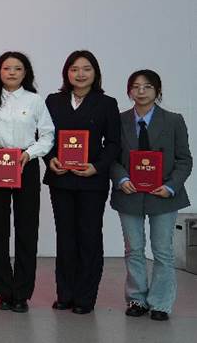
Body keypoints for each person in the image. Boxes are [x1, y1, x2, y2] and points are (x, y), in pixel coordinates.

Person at [43, 50, 121, 314]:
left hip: (92, 181)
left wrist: (96, 167)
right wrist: (50, 159)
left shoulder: (106, 103)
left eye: (86, 69)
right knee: (65, 237)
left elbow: (114, 143)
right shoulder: (53, 101)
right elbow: (44, 136)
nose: (80, 74)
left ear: (95, 73)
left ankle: (85, 297)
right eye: (74, 69)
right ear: (66, 72)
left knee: (89, 237)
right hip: (61, 179)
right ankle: (65, 294)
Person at [111, 69, 191, 321]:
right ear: (129, 91)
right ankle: (136, 298)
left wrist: (171, 186)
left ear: (157, 91)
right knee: (133, 249)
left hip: (164, 194)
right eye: (135, 87)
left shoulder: (174, 120)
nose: (141, 91)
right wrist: (121, 179)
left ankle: (160, 303)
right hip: (129, 193)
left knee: (162, 250)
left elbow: (184, 160)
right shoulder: (119, 120)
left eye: (147, 86)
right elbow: (111, 157)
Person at [0, 51, 54, 313]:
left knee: (26, 228)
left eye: (17, 68)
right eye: (6, 68)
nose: (11, 72)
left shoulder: (35, 100)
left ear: (26, 73)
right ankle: (4, 290)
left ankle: (22, 292)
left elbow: (47, 136)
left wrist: (29, 154)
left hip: (25, 164)